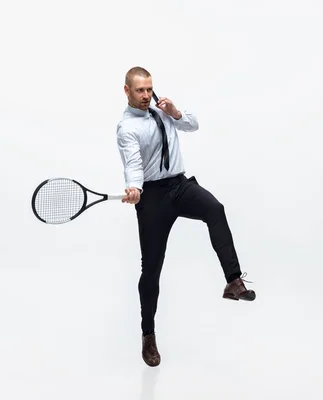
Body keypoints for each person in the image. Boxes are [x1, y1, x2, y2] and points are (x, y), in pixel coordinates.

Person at [116, 66, 255, 367]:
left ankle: (233, 281)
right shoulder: (127, 128)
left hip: (180, 186)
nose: (146, 95)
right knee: (151, 270)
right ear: (126, 91)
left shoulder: (161, 109)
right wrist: (134, 187)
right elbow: (133, 163)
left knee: (215, 209)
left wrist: (175, 112)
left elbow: (193, 125)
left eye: (149, 89)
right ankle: (148, 335)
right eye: (140, 90)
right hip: (152, 196)